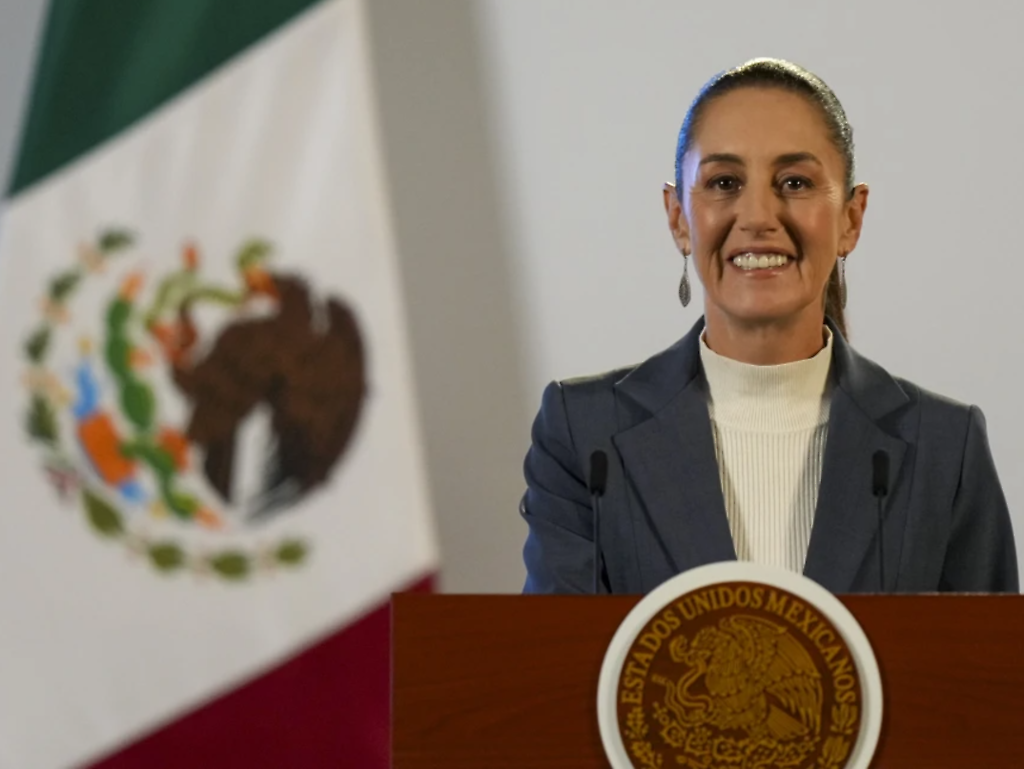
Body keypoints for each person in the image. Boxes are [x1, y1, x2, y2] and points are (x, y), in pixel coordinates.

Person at [520, 58, 1018, 595]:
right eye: (724, 182)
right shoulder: (586, 436)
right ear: (678, 217)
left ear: (851, 219)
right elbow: (558, 649)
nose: (758, 216)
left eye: (795, 182)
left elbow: (985, 651)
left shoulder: (944, 447)